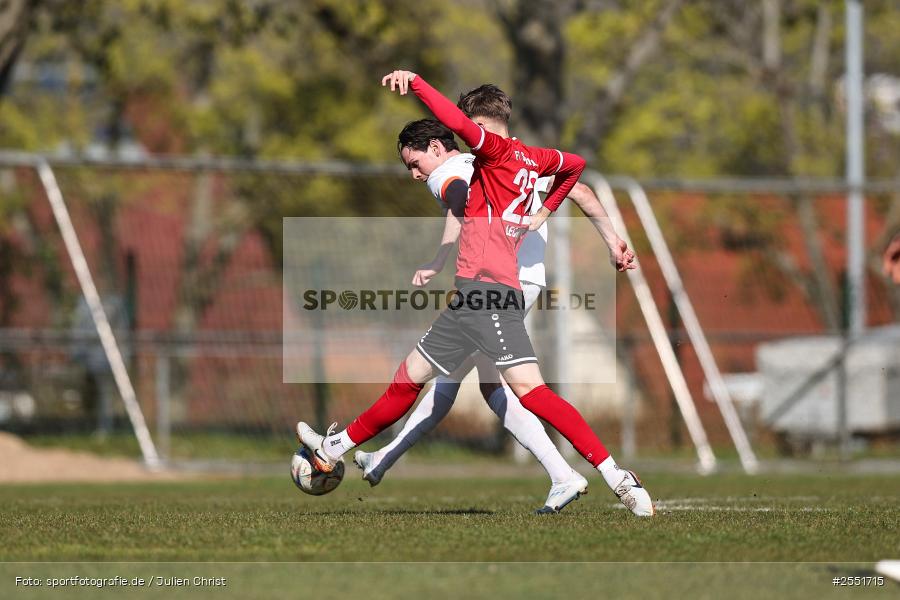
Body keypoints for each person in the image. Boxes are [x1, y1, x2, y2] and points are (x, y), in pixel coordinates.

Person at [297, 70, 653, 517]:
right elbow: (576, 167)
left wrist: (418, 84)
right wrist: (540, 214)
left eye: (470, 134)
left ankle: (618, 478)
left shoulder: (492, 152)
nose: (467, 143)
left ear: (480, 128)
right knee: (411, 377)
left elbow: (458, 140)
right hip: (475, 296)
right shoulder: (532, 157)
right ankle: (337, 446)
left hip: (490, 294)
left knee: (530, 392)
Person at [353, 118, 634, 513]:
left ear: (481, 124)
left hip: (499, 285)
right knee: (480, 383)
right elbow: (580, 189)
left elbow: (463, 201)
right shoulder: (520, 166)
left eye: (471, 123)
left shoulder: (488, 164)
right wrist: (613, 241)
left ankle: (575, 474)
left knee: (484, 382)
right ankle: (383, 457)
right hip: (512, 283)